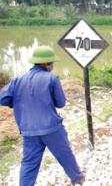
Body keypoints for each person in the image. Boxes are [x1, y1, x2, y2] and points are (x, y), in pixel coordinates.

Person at [0, 46, 85, 185]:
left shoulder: (17, 80)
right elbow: (61, 103)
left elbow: (2, 99)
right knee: (65, 154)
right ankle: (78, 178)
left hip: (28, 130)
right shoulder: (52, 79)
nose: (52, 66)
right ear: (46, 64)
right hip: (51, 128)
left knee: (29, 163)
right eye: (51, 63)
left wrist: (17, 102)